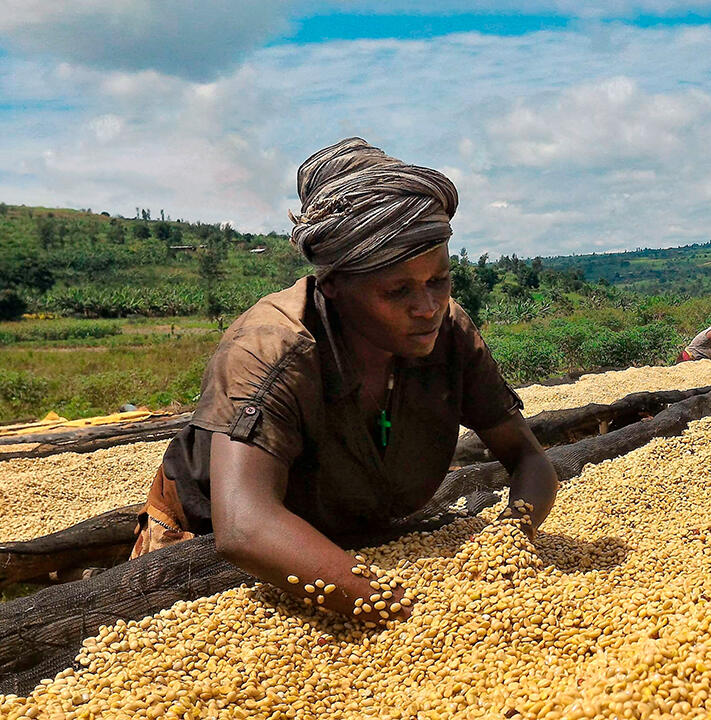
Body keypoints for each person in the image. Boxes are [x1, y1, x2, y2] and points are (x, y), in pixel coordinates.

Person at [130, 138, 559, 625]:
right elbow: (246, 528)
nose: (427, 307)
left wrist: (509, 540)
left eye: (439, 281)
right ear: (332, 284)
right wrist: (402, 610)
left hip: (348, 539)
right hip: (212, 547)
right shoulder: (271, 349)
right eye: (397, 290)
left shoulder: (449, 335)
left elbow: (527, 458)